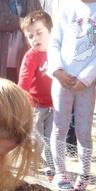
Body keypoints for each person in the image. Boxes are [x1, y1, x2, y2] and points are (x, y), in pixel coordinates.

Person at [47, 0, 96, 191]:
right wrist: (57, 70)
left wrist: (86, 78)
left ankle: (84, 175)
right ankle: (61, 173)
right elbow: (54, 43)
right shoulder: (67, 9)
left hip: (86, 86)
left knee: (84, 132)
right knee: (59, 127)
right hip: (62, 82)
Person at [18, 10, 54, 180]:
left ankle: (52, 166)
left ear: (50, 31)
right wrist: (22, 101)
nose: (35, 39)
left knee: (53, 138)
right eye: (30, 36)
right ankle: (32, 164)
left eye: (39, 33)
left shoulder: (57, 52)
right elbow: (24, 80)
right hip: (36, 106)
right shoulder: (31, 56)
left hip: (56, 105)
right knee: (35, 138)